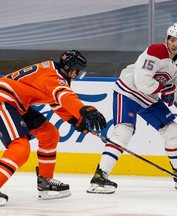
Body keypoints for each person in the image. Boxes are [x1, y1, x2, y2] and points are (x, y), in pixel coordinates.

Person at [87, 23, 177, 194]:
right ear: (166, 39)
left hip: (149, 98)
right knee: (123, 131)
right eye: (172, 40)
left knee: (172, 130)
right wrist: (165, 90)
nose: (175, 45)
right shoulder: (155, 51)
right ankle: (99, 177)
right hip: (128, 92)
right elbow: (143, 82)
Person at [0, 50, 106, 206]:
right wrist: (83, 110)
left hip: (17, 103)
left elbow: (57, 102)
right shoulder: (54, 77)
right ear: (72, 68)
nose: (77, 75)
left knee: (50, 134)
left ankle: (45, 182)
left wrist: (76, 121)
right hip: (4, 99)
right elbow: (64, 96)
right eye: (78, 71)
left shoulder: (52, 71)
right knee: (20, 148)